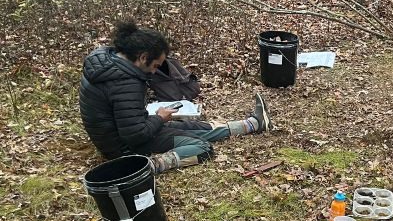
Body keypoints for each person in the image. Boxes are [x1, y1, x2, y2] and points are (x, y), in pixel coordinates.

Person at [79, 20, 272, 174]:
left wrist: (157, 119)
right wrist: (159, 118)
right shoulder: (126, 82)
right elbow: (135, 134)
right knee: (201, 147)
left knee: (191, 126)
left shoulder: (105, 61)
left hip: (117, 138)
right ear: (143, 57)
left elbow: (127, 118)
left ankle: (253, 124)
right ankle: (147, 167)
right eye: (155, 66)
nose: (155, 73)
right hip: (124, 149)